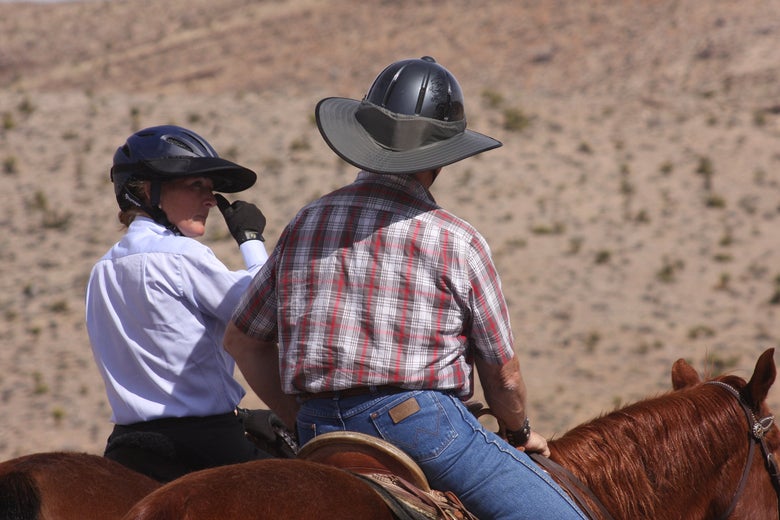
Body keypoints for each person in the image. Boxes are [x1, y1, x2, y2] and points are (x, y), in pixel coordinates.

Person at [224, 57, 586, 519]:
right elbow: (504, 376)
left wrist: (305, 421)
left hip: (321, 432)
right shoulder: (456, 239)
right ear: (439, 158)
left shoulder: (306, 222)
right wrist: (519, 432)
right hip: (419, 427)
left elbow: (242, 340)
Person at [86, 125, 278, 482]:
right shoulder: (180, 255)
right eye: (195, 186)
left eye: (210, 189)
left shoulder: (101, 271)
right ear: (147, 190)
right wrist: (251, 241)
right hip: (204, 443)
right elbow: (264, 309)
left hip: (127, 444)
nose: (210, 199)